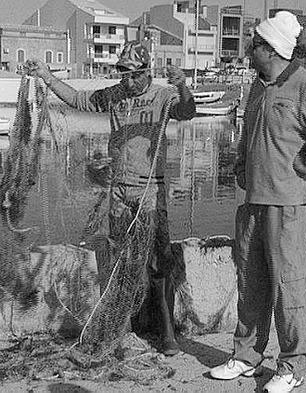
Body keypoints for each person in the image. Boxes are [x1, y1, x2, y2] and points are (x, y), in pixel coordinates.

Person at [209, 11, 306, 393]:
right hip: (253, 202)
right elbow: (248, 135)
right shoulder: (257, 87)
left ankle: (293, 365)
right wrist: (240, 165)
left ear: (271, 49)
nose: (248, 49)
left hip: (287, 204)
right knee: (250, 281)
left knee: (288, 285)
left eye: (255, 44)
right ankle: (246, 355)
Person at [26, 41, 196, 355]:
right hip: (119, 193)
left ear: (146, 72)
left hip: (150, 192)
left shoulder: (162, 96)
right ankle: (122, 328)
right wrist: (47, 77)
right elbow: (78, 99)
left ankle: (167, 331)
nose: (127, 81)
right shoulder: (115, 95)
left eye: (132, 75)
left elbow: (186, 112)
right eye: (122, 74)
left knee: (159, 264)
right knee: (120, 264)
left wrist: (183, 85)